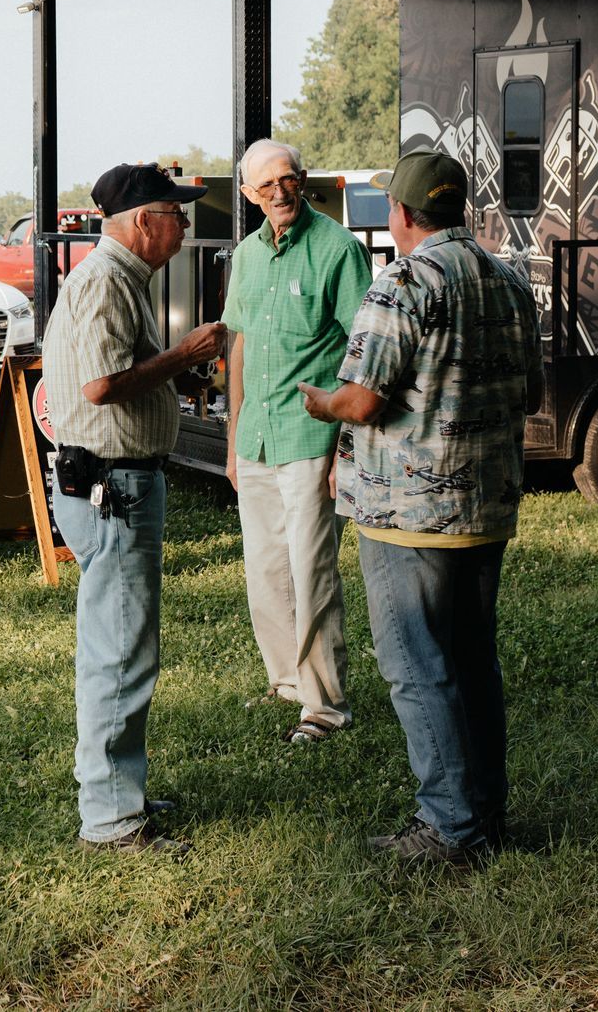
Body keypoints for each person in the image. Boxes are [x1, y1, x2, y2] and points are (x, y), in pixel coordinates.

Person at [299, 150, 543, 867]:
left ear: (401, 214)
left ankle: (450, 829)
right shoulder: (509, 279)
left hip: (406, 517)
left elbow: (362, 399)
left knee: (415, 664)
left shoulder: (403, 282)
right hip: (486, 507)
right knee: (472, 660)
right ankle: (485, 813)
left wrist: (317, 399)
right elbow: (530, 393)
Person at [44, 162, 227, 857]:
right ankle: (113, 821)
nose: (185, 225)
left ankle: (118, 793)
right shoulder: (106, 280)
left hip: (111, 485)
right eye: (177, 213)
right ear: (144, 221)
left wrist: (175, 367)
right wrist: (182, 353)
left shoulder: (117, 277)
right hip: (112, 486)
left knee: (120, 647)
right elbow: (100, 386)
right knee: (119, 653)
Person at [222, 139, 373, 745]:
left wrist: (348, 447)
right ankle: (287, 682)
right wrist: (233, 438)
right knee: (264, 569)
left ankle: (325, 706)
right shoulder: (246, 256)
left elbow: (364, 352)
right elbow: (238, 345)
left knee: (311, 570)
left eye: (287, 180)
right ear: (248, 195)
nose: (279, 193)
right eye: (266, 186)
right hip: (256, 437)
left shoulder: (337, 249)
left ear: (303, 179)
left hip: (312, 435)